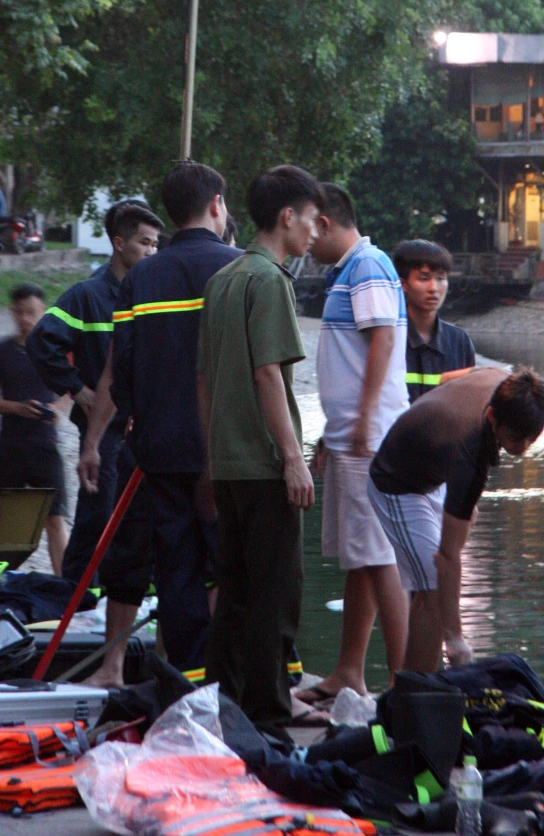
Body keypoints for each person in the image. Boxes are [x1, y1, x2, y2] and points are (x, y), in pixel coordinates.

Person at [102, 162, 239, 677]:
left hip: (161, 448)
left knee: (176, 569)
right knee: (233, 565)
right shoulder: (242, 270)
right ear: (216, 205)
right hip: (228, 451)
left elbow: (122, 367)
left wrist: (139, 414)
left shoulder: (141, 277)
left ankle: (189, 679)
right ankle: (233, 677)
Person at [198, 165, 320, 729]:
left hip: (228, 464)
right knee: (275, 598)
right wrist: (294, 459)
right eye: (312, 220)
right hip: (265, 465)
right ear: (287, 217)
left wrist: (212, 458)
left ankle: (225, 713)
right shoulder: (269, 280)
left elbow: (204, 379)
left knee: (235, 597)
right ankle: (268, 719)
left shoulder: (223, 279)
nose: (315, 232)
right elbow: (268, 373)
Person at [369, 367, 544, 673]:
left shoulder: (508, 383)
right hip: (395, 481)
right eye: (515, 438)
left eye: (531, 438)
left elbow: (449, 379)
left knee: (433, 589)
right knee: (434, 585)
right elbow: (448, 556)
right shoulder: (470, 451)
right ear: (492, 416)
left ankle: (419, 686)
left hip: (432, 471)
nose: (522, 448)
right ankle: (418, 691)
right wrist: (455, 638)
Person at [303, 184, 409, 702]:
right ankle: (349, 670)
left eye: (309, 227)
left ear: (324, 222)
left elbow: (382, 339)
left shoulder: (368, 265)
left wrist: (365, 419)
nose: (305, 239)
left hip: (371, 438)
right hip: (352, 436)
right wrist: (333, 433)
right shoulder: (347, 272)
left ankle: (405, 682)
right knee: (361, 557)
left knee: (379, 557)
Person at [26, 200, 163, 584]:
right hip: (104, 434)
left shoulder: (152, 295)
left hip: (145, 431)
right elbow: (41, 343)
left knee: (142, 520)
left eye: (156, 245)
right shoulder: (86, 295)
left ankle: (131, 599)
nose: (152, 252)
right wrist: (78, 390)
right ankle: (77, 596)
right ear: (119, 243)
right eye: (145, 243)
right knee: (97, 517)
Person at [0, 283, 72, 575]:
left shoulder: (55, 350)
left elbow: (72, 388)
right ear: (12, 312)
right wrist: (16, 408)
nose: (25, 318)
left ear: (43, 311)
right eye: (20, 312)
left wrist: (56, 410)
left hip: (46, 447)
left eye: (31, 312)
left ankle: (64, 585)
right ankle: (1, 582)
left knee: (55, 519)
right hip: (10, 448)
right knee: (7, 523)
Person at [393, 240, 476, 403]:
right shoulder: (389, 337)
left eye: (440, 278)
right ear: (403, 284)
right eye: (424, 278)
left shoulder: (459, 341)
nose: (433, 288)